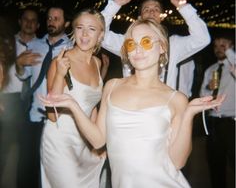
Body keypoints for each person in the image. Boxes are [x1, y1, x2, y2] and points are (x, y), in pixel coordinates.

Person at [40, 18, 224, 188]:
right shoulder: (112, 87)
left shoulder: (176, 99)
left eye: (145, 42)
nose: (137, 50)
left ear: (162, 47)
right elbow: (97, 140)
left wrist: (189, 115)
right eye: (131, 44)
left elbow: (177, 162)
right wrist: (73, 106)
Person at [101, 0, 210, 97]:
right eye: (146, 9)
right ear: (139, 17)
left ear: (161, 17)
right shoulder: (128, 42)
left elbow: (202, 39)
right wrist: (115, 5)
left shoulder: (173, 44)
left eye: (156, 9)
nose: (151, 12)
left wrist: (183, 7)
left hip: (163, 110)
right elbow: (100, 35)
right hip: (132, 107)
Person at [40, 8, 106, 188]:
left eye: (92, 29)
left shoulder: (97, 63)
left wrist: (97, 145)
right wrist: (60, 74)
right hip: (60, 143)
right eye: (80, 27)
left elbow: (92, 106)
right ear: (73, 31)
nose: (84, 34)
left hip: (85, 143)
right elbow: (52, 115)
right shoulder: (60, 61)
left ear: (100, 35)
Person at [15, 5, 71, 188]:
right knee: (27, 165)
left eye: (56, 18)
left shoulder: (72, 49)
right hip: (35, 115)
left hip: (60, 119)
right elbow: (23, 76)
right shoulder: (35, 45)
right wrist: (19, 65)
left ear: (67, 23)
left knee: (54, 168)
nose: (51, 22)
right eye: (49, 18)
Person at [0, 7, 41, 188]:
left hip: (32, 103)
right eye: (26, 19)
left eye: (33, 20)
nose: (29, 23)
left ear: (38, 25)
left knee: (29, 152)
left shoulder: (42, 46)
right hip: (8, 100)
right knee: (3, 147)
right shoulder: (7, 43)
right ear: (20, 21)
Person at [200, 35, 235, 188]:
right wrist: (208, 88)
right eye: (216, 46)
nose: (219, 49)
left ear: (231, 46)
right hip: (214, 122)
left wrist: (230, 52)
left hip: (232, 122)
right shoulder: (211, 69)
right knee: (215, 165)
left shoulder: (233, 66)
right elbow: (202, 96)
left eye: (223, 45)